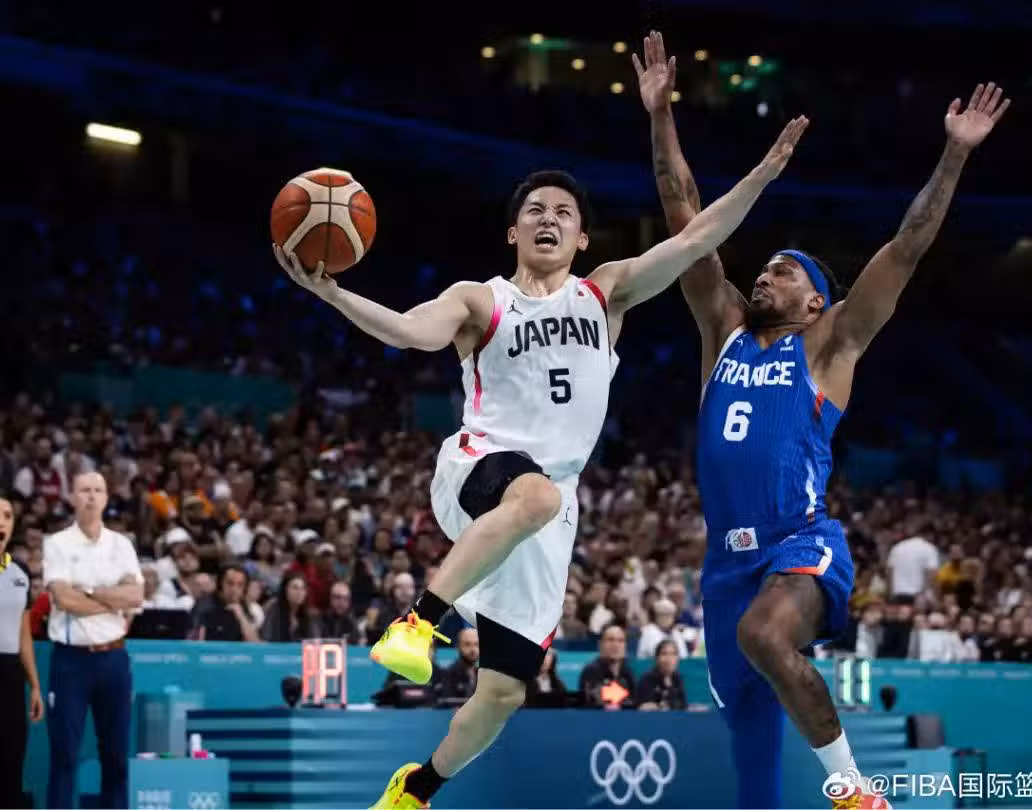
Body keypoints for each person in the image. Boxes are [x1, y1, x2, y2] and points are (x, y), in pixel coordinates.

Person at [274, 118, 808, 809]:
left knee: (504, 690)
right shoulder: (480, 299)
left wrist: (763, 174)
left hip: (548, 507)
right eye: (534, 211)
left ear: (582, 238)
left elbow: (695, 239)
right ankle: (416, 624)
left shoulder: (605, 292)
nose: (548, 219)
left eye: (563, 213)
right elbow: (408, 332)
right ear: (513, 232)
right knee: (534, 497)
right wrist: (333, 294)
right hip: (479, 468)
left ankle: (415, 789)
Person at [634, 30, 1009, 809]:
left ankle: (854, 791)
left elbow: (906, 247)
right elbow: (684, 215)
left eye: (783, 271)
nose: (764, 274)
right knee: (751, 755)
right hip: (725, 567)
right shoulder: (722, 329)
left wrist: (955, 154)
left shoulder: (831, 342)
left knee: (766, 635)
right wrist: (661, 114)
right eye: (763, 267)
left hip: (800, 542)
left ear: (815, 300)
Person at [42, 472, 144, 809]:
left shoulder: (121, 544)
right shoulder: (57, 543)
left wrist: (87, 591)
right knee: (64, 755)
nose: (91, 496)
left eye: (98, 490)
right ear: (73, 496)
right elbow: (64, 600)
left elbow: (136, 595)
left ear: (106, 497)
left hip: (113, 658)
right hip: (72, 660)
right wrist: (112, 599)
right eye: (84, 490)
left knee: (116, 755)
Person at [0, 496, 44, 809]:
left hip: (10, 672)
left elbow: (23, 632)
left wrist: (35, 685)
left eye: (7, 515)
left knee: (12, 752)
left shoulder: (19, 572)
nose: (2, 521)